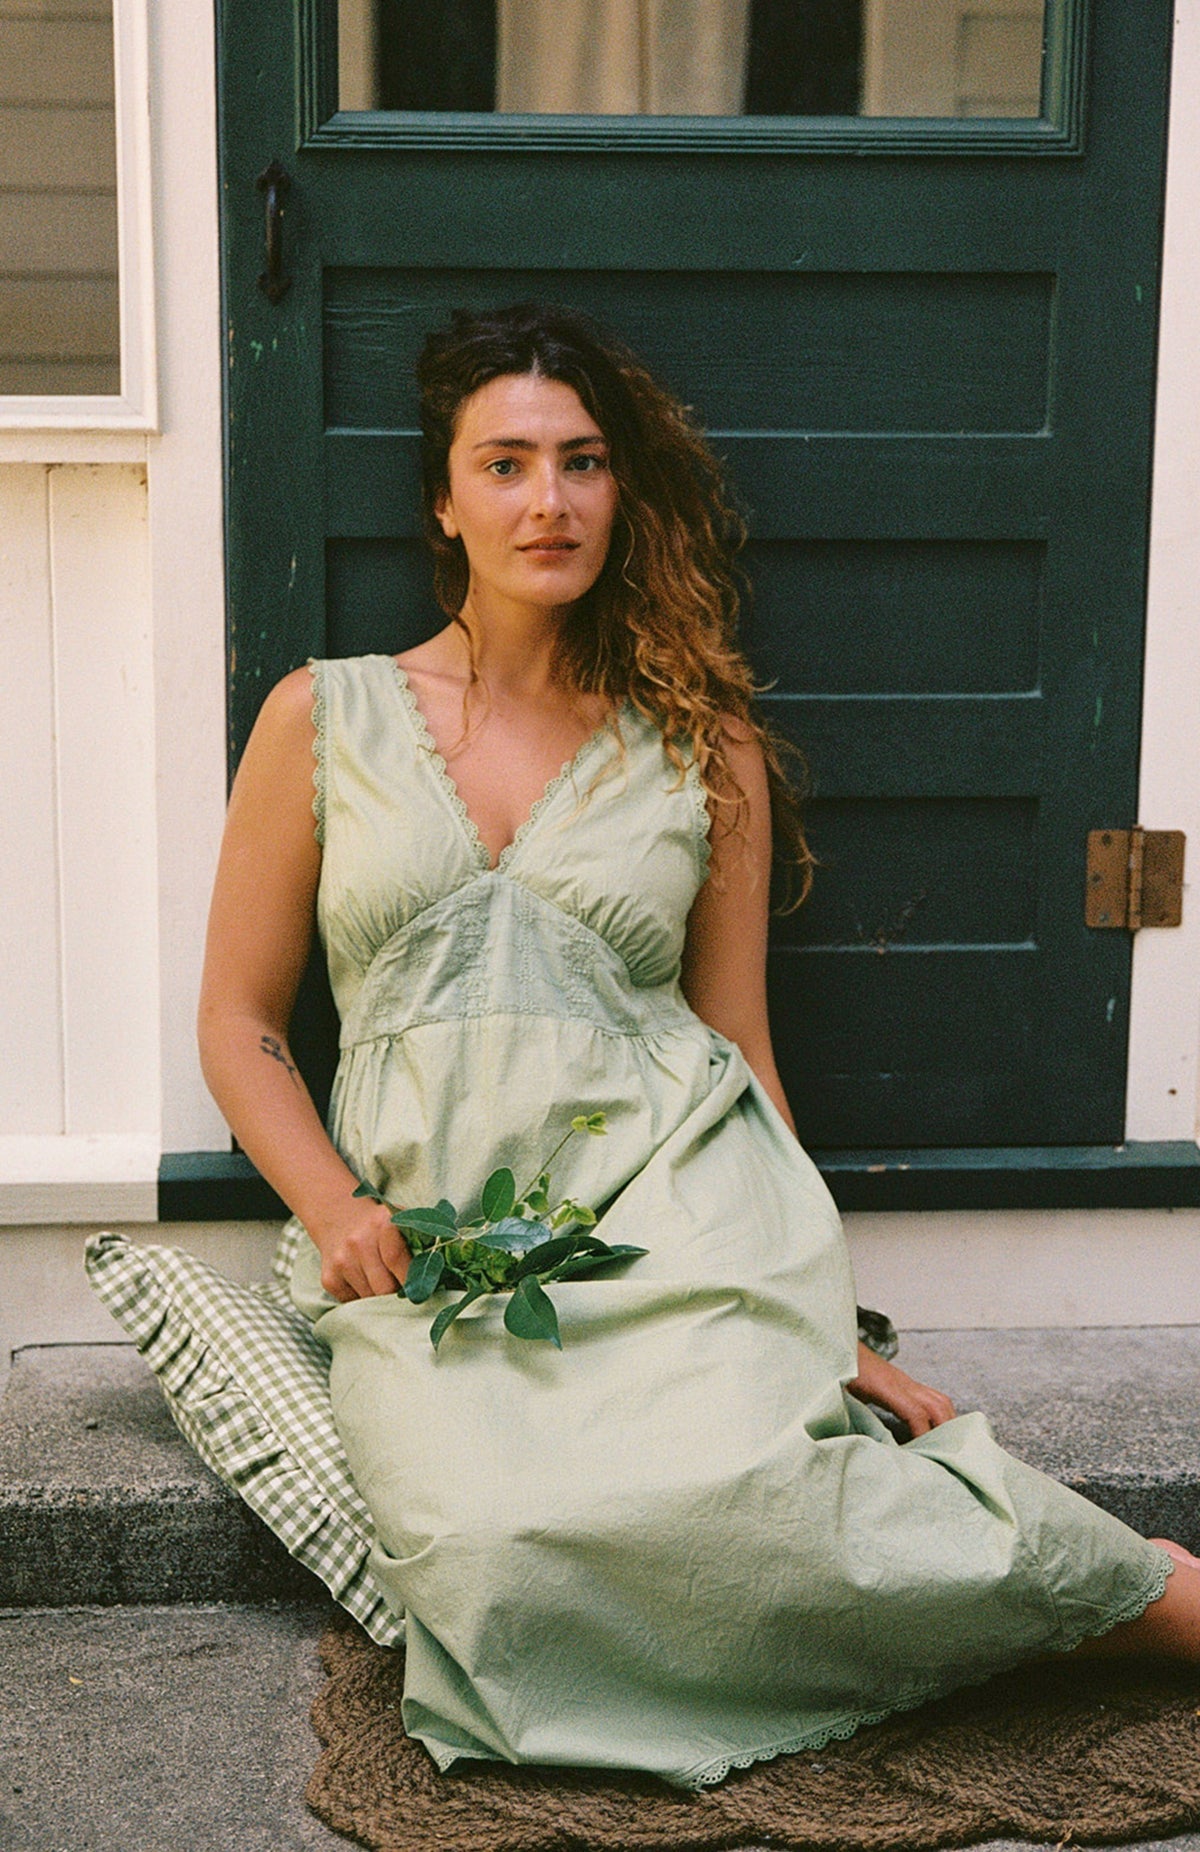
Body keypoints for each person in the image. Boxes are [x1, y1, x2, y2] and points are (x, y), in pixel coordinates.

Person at [198, 301, 1200, 1790]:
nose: (549, 501)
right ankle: (1037, 1621)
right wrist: (335, 1209)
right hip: (445, 1245)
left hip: (678, 1210)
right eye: (508, 463)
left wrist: (830, 1313)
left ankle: (1146, 1602)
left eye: (584, 462)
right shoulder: (322, 717)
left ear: (623, 491)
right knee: (488, 1548)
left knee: (761, 1484)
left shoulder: (698, 739)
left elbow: (737, 1040)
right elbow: (239, 1022)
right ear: (443, 500)